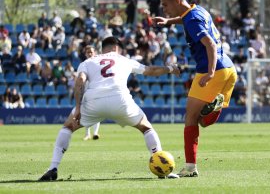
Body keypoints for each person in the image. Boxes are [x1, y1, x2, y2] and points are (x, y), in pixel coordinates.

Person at [38, 36, 181, 181]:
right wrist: (170, 68)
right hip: (120, 100)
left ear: (102, 48)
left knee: (67, 127)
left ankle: (53, 168)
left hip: (94, 101)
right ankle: (163, 167)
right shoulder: (124, 59)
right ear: (116, 48)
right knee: (146, 128)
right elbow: (151, 70)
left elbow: (79, 80)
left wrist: (78, 107)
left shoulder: (88, 61)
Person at [154, 0, 237, 177]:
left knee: (189, 118)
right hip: (229, 69)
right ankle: (214, 108)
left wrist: (210, 72)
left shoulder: (191, 19)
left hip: (213, 71)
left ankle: (190, 167)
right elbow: (186, 19)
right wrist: (168, 21)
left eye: (166, 5)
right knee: (203, 122)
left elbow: (209, 44)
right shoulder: (197, 10)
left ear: (177, 0)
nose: (164, 9)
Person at [81, 46, 102, 141]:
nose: (90, 54)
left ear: (95, 53)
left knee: (97, 113)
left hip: (97, 92)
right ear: (85, 54)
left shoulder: (98, 64)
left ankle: (95, 133)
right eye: (88, 52)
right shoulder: (84, 64)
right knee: (86, 113)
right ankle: (87, 133)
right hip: (87, 92)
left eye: (91, 52)